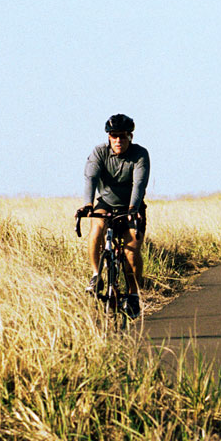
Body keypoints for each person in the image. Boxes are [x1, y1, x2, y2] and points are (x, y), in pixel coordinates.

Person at [83, 113, 149, 315]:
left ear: (130, 136)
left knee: (130, 251)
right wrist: (87, 204)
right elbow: (90, 178)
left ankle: (134, 294)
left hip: (132, 206)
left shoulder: (140, 154)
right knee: (97, 230)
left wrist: (133, 209)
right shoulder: (99, 152)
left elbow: (139, 183)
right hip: (106, 203)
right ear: (108, 137)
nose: (118, 140)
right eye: (114, 136)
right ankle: (96, 275)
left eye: (122, 136)